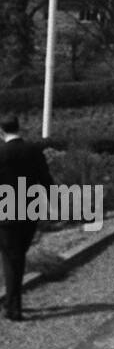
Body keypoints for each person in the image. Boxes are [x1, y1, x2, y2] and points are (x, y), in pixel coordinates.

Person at [0, 115, 52, 321]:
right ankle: (11, 302)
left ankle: (14, 307)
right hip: (30, 211)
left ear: (1, 131)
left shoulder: (1, 153)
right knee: (16, 257)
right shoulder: (34, 150)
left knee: (12, 258)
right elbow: (46, 180)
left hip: (6, 212)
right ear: (18, 128)